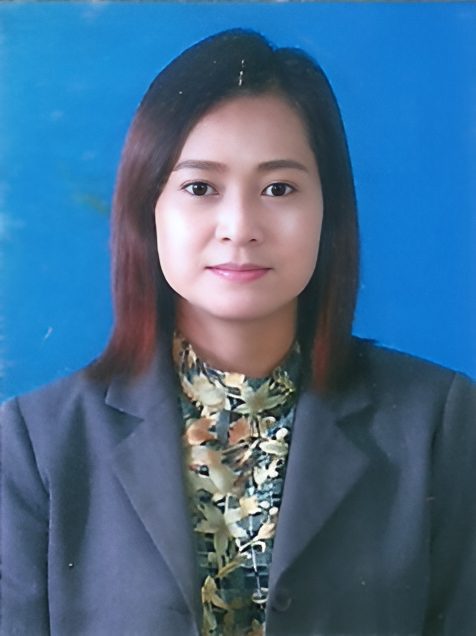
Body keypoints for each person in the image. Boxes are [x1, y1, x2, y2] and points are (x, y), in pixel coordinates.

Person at [1, 28, 475, 636]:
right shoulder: (36, 445)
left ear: (328, 211)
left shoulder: (439, 423)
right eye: (200, 188)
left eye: (279, 188)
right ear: (148, 210)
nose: (240, 226)